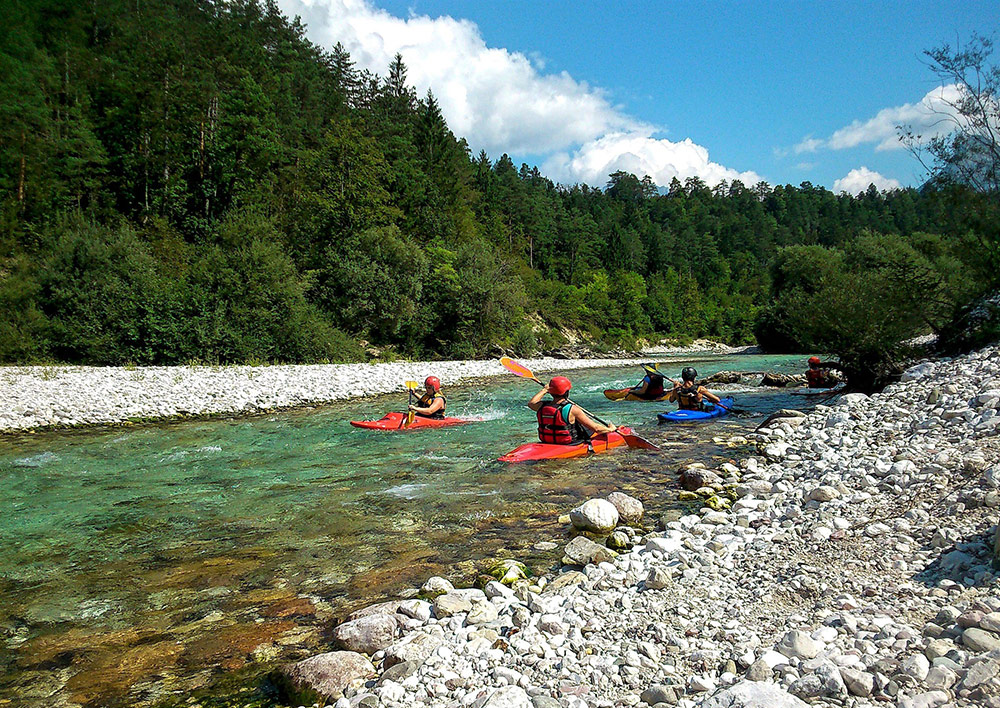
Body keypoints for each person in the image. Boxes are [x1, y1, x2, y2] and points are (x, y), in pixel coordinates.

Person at [528, 376, 617, 444]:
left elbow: (531, 403)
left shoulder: (542, 406)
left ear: (550, 392)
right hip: (568, 443)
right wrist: (610, 429)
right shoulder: (572, 409)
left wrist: (544, 390)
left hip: (548, 442)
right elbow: (596, 429)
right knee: (587, 427)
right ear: (567, 392)